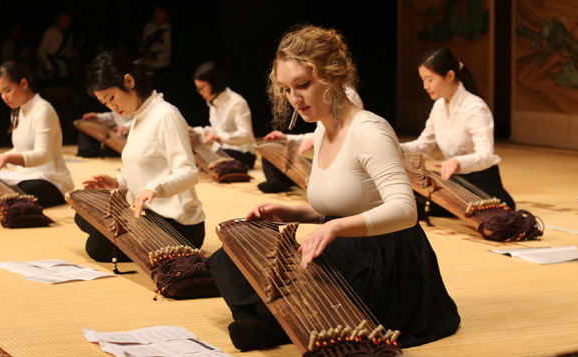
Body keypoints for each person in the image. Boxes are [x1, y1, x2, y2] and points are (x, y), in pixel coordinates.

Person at [206, 25, 460, 351]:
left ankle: (266, 324)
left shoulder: (369, 130)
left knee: (298, 301)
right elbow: (345, 202)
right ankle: (268, 322)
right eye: (285, 89)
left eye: (303, 85)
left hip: (384, 258)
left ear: (335, 76)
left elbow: (405, 210)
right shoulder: (323, 130)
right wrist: (292, 212)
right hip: (342, 248)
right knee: (229, 259)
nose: (294, 99)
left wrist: (334, 228)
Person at [75, 51, 206, 263]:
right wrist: (116, 182)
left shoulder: (166, 115)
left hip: (177, 226)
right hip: (146, 214)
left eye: (111, 98)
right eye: (105, 104)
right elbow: (149, 170)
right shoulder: (139, 116)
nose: (112, 107)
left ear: (129, 81)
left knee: (97, 247)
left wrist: (155, 188)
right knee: (83, 215)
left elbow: (189, 173)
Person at [400, 48, 515, 215]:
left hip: (481, 181)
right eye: (423, 80)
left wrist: (457, 161)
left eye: (429, 80)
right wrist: (395, 147)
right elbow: (423, 145)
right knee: (405, 190)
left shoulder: (475, 108)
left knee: (415, 201)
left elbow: (486, 155)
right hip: (454, 180)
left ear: (450, 76)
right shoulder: (439, 106)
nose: (425, 86)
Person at [0, 60, 74, 208]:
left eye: (7, 90)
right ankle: (4, 201)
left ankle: (1, 201)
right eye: (0, 93)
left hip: (50, 180)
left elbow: (43, 154)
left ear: (24, 83)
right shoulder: (17, 111)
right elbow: (20, 151)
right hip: (22, 177)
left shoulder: (43, 109)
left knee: (20, 192)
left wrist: (6, 158)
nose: (4, 97)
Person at [257, 85, 363, 193]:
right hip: (324, 166)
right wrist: (286, 137)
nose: (294, 99)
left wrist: (321, 137)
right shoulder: (321, 107)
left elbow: (349, 132)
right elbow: (317, 134)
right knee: (270, 151)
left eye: (304, 85)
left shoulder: (344, 93)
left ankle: (306, 182)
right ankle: (284, 181)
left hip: (344, 168)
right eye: (287, 90)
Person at [190, 61, 256, 169]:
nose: (200, 92)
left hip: (243, 153)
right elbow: (215, 131)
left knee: (214, 158)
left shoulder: (236, 102)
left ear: (214, 82)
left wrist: (220, 137)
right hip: (222, 150)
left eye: (202, 88)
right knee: (194, 154)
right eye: (198, 89)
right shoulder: (213, 103)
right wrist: (194, 131)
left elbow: (246, 135)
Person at [37, 8, 73, 83]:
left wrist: (73, 54)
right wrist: (49, 66)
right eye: (63, 18)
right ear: (57, 19)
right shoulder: (50, 32)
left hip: (62, 69)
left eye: (68, 19)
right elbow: (41, 51)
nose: (65, 21)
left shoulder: (68, 36)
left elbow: (67, 53)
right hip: (48, 69)